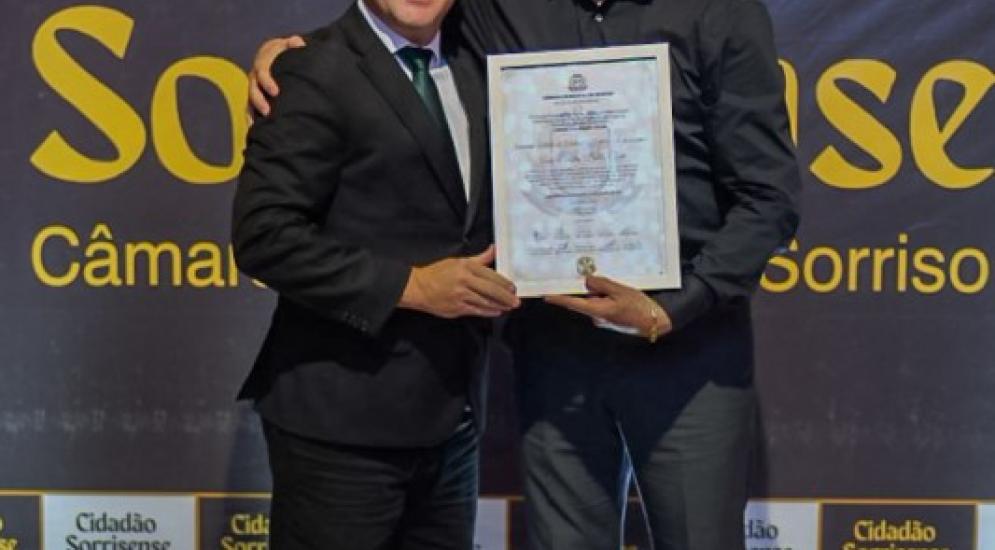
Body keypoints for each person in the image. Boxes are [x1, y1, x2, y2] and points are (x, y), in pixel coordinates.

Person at [249, 0, 801, 548]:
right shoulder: (498, 8)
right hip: (556, 353)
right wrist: (293, 56)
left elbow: (769, 199)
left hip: (688, 352)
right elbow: (391, 29)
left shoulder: (720, 12)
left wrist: (673, 307)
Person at [231, 0, 522, 548]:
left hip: (453, 421)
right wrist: (413, 286)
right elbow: (264, 237)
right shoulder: (311, 68)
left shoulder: (485, 64)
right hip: (340, 428)